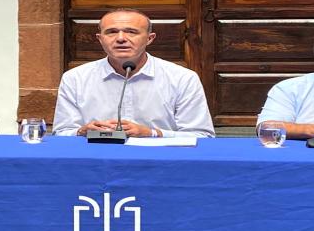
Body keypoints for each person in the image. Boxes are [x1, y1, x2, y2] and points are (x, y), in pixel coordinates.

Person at [53, 8, 215, 138]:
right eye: (111, 32)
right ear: (100, 39)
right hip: (98, 162)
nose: (121, 38)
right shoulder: (75, 78)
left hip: (160, 163)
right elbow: (61, 133)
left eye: (131, 32)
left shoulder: (182, 78)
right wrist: (81, 131)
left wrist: (152, 133)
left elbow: (201, 136)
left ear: (149, 38)